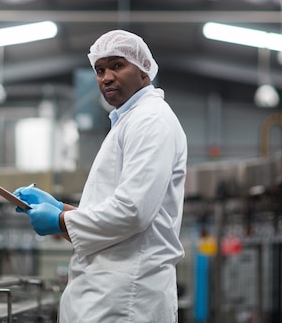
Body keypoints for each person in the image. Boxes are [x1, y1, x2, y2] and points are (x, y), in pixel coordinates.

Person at [14, 29, 188, 323]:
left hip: (127, 296)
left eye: (117, 66)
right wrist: (62, 209)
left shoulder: (150, 120)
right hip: (111, 293)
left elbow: (133, 211)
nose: (105, 77)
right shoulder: (129, 121)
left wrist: (60, 221)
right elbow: (116, 211)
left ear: (144, 70)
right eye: (99, 69)